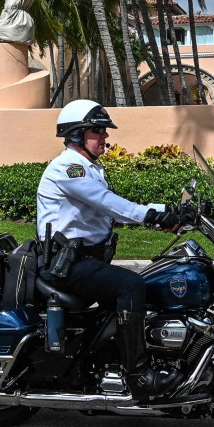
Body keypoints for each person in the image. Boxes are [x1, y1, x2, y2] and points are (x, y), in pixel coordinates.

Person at [36, 99, 181, 397]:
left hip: (83, 262)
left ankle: (111, 359)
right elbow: (108, 204)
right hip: (68, 266)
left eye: (104, 131)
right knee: (130, 285)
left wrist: (171, 210)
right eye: (97, 130)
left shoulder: (87, 168)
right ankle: (138, 376)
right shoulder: (69, 169)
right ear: (77, 134)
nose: (105, 137)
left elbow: (111, 203)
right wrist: (152, 216)